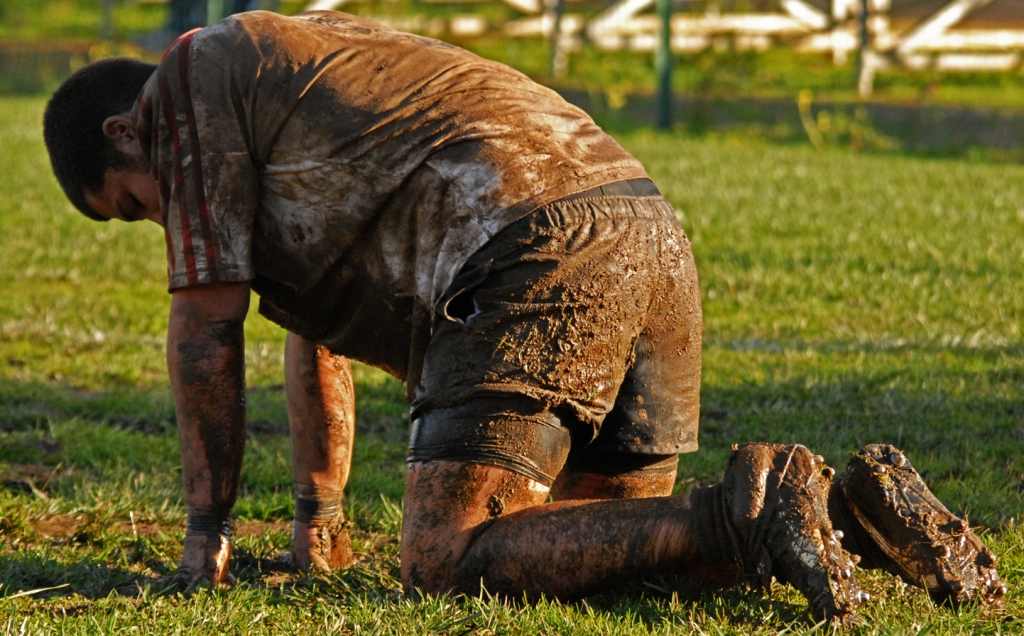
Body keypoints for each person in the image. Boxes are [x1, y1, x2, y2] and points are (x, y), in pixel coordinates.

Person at [42, 10, 1004, 623]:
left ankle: (746, 507)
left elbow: (205, 334)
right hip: (645, 231)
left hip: (532, 244)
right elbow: (314, 338)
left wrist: (205, 538)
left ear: (126, 134)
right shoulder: (286, 81)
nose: (156, 223)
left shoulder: (186, 89)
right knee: (600, 554)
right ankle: (851, 510)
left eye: (133, 204)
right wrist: (316, 520)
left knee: (441, 557)